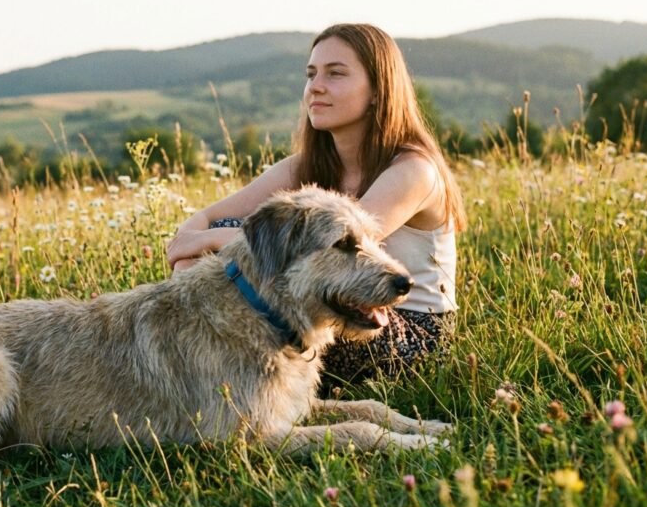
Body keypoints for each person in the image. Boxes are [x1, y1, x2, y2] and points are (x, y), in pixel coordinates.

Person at [166, 23, 466, 387]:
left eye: (335, 74)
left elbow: (347, 248)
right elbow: (205, 220)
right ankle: (220, 377)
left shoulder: (412, 170)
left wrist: (211, 246)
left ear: (377, 90)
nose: (315, 87)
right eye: (311, 75)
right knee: (218, 247)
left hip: (403, 329)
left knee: (241, 281)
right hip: (333, 305)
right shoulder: (304, 166)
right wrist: (188, 259)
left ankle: (228, 380)